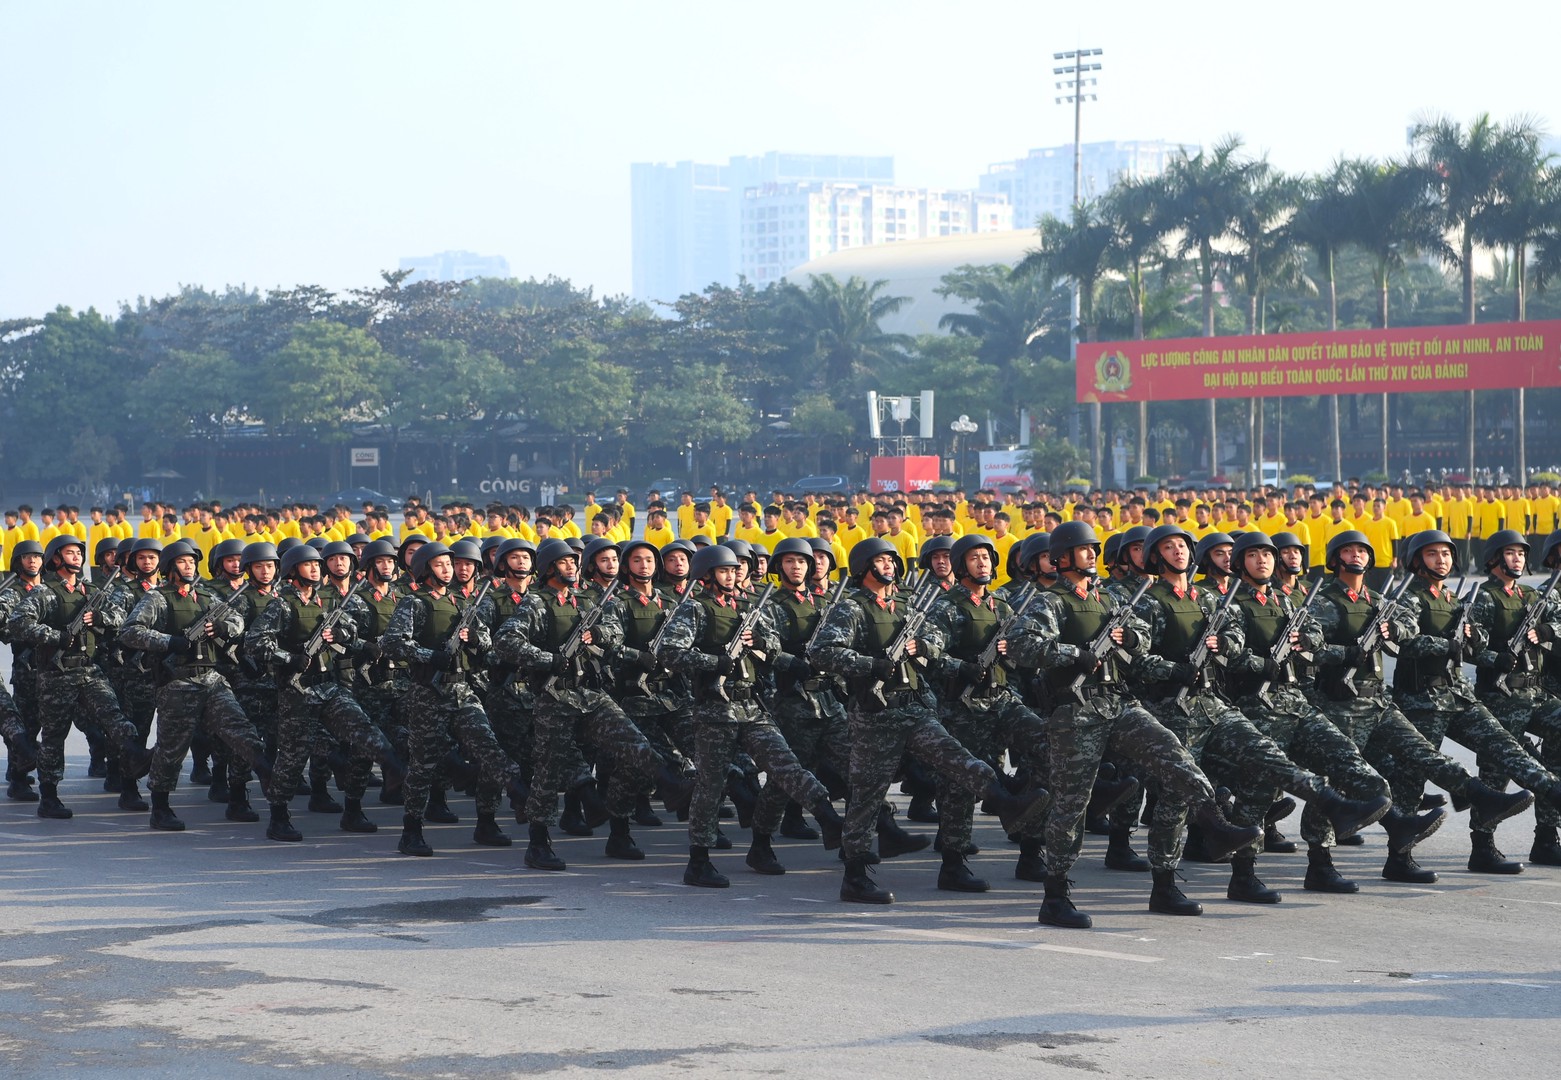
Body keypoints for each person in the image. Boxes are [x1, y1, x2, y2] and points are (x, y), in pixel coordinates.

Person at [1007, 522, 1261, 928]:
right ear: (1063, 557)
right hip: (1074, 712)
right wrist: (1075, 654)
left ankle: (1210, 827)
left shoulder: (1109, 597)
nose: (1091, 554)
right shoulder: (1050, 602)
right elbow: (1022, 645)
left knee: (1173, 755)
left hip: (1119, 703)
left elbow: (1142, 638)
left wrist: (1129, 638)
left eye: (1093, 548)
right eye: (1083, 549)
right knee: (1071, 804)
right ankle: (1055, 895)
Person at [809, 538, 1048, 905]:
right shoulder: (851, 608)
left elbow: (934, 647)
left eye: (891, 560)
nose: (889, 565)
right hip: (875, 715)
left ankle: (1004, 800)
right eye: (880, 560)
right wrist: (870, 664)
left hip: (915, 707)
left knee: (957, 758)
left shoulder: (907, 606)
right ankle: (855, 875)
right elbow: (822, 651)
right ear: (863, 567)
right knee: (867, 796)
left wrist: (928, 650)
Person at [1301, 530, 1535, 891]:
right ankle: (1319, 863)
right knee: (1336, 779)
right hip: (1339, 704)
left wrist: (1395, 628)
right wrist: (1346, 653)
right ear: (1335, 559)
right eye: (1348, 550)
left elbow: (1406, 629)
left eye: (1362, 550)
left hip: (1379, 701)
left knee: (1424, 756)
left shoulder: (1380, 600)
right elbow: (1310, 648)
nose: (1356, 555)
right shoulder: (1323, 602)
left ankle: (1479, 797)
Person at [654, 543, 845, 887]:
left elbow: (774, 647)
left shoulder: (748, 607)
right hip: (714, 709)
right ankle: (699, 860)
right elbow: (668, 652)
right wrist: (714, 661)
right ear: (707, 575)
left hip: (752, 706)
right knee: (711, 785)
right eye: (723, 571)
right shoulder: (695, 609)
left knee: (785, 765)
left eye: (733, 570)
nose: (731, 576)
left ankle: (824, 814)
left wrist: (760, 641)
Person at [494, 539, 691, 872]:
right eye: (563, 562)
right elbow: (505, 641)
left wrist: (599, 633)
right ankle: (538, 843)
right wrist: (548, 659)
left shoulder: (588, 599)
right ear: (549, 568)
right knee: (549, 770)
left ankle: (668, 785)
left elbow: (615, 631)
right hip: (555, 696)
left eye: (573, 562)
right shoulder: (537, 602)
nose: (571, 566)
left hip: (590, 692)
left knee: (630, 740)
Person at [118, 540, 272, 831]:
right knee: (171, 748)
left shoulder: (206, 597)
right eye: (182, 562)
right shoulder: (157, 598)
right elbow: (130, 631)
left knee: (240, 729)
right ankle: (160, 807)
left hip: (212, 679)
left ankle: (264, 774)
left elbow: (237, 620)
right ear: (170, 566)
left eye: (192, 562)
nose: (189, 566)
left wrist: (224, 628)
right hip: (177, 682)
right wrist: (170, 642)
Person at [380, 541, 517, 855]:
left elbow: (487, 639)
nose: (447, 570)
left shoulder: (461, 601)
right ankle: (411, 830)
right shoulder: (414, 602)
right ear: (425, 569)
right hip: (427, 692)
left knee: (487, 746)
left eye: (448, 564)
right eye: (440, 564)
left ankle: (491, 818)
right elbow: (393, 643)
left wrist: (474, 638)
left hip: (462, 689)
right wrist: (429, 655)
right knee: (423, 765)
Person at [7, 536, 152, 819]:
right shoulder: (45, 592)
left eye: (78, 552)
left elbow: (122, 618)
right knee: (54, 736)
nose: (76, 557)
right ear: (56, 558)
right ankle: (49, 796)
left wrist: (100, 619)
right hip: (56, 675)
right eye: (70, 552)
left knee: (114, 716)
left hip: (89, 669)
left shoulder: (92, 591)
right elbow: (17, 623)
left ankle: (136, 756)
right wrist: (56, 636)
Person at [1464, 529, 1561, 871]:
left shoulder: (1534, 595)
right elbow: (1467, 646)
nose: (1517, 558)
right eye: (1510, 553)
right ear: (1494, 558)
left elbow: (1560, 618)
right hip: (1500, 696)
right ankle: (1482, 846)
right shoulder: (1484, 597)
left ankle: (1547, 838)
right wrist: (1496, 659)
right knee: (1496, 772)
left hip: (1535, 693)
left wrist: (1548, 631)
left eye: (1521, 553)